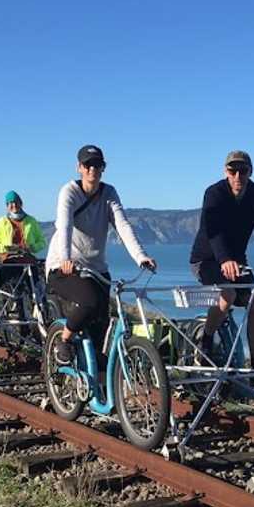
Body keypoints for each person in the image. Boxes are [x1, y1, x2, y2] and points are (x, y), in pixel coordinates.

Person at [46, 145, 156, 364]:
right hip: (63, 266)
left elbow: (123, 226)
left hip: (96, 268)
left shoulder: (109, 193)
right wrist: (66, 258)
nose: (92, 170)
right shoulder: (69, 192)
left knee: (101, 321)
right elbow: (65, 225)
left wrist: (141, 257)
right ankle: (64, 340)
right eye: (87, 165)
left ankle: (96, 377)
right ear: (79, 167)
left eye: (98, 165)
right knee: (89, 302)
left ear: (103, 168)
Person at [189, 150, 254, 368]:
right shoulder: (214, 193)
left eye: (243, 171)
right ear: (225, 171)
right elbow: (213, 230)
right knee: (227, 293)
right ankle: (206, 339)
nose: (238, 176)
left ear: (250, 172)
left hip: (237, 261)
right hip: (207, 260)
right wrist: (224, 259)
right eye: (233, 170)